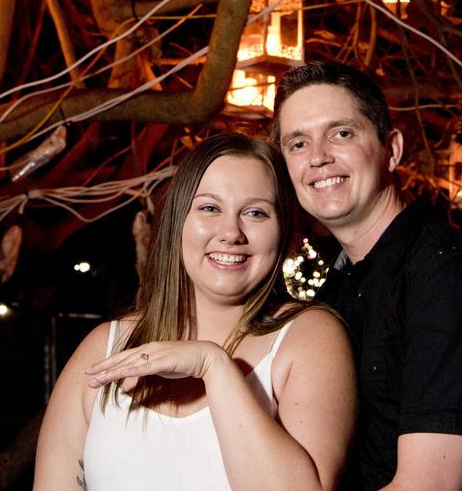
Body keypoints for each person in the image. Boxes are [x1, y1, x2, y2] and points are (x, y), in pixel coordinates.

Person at [33, 133, 356, 491]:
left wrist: (213, 366)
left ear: (281, 233)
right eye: (209, 208)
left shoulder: (309, 337)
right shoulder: (105, 347)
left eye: (255, 212)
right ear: (177, 222)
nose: (231, 232)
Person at [272, 61, 462, 491]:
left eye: (342, 133)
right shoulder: (335, 290)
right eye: (297, 143)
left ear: (393, 149)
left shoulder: (445, 272)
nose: (318, 157)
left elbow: (429, 486)